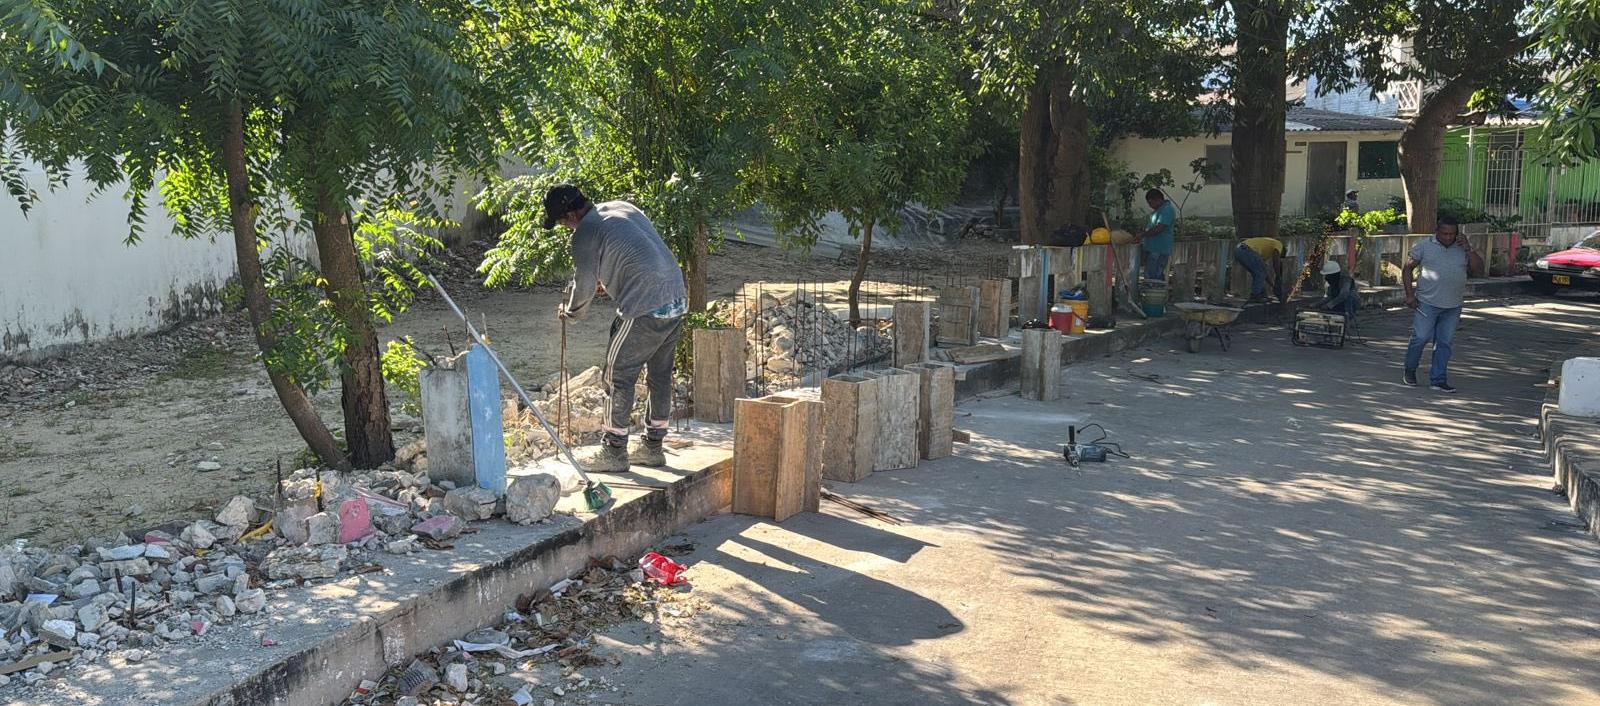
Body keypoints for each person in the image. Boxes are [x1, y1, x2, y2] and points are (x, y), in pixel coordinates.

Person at [546, 184, 689, 471]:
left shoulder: (585, 231)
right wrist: (609, 279)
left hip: (644, 307)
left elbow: (584, 284)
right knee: (660, 377)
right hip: (676, 299)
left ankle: (613, 452)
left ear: (571, 214)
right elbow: (638, 254)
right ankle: (652, 447)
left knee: (617, 377)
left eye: (562, 222)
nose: (565, 228)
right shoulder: (622, 207)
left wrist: (571, 312)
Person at [1402, 215, 1481, 392]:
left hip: (1453, 304)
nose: (1448, 237)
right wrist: (1409, 294)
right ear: (1437, 231)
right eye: (1444, 233)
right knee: (1420, 337)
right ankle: (1410, 369)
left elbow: (1478, 269)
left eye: (1451, 234)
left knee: (1444, 342)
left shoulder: (1462, 248)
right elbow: (1407, 268)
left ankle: (1438, 379)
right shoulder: (1424, 246)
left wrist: (1469, 249)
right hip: (1427, 302)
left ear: (1457, 233)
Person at [1137, 188, 1176, 281]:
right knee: (1150, 275)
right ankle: (1152, 294)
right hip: (1153, 249)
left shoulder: (1167, 210)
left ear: (1157, 199)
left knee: (1154, 277)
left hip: (1159, 249)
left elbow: (1159, 228)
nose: (1150, 206)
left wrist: (1143, 235)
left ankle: (1155, 294)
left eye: (1150, 203)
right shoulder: (1158, 210)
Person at [1233, 236, 1285, 303]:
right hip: (1245, 249)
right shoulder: (1279, 244)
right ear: (1282, 251)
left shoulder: (1264, 253)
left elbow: (1264, 272)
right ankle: (1255, 296)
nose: (1278, 256)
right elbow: (1276, 261)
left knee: (1258, 274)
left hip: (1239, 250)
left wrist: (1272, 285)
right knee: (1260, 274)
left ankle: (1262, 295)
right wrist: (1278, 276)